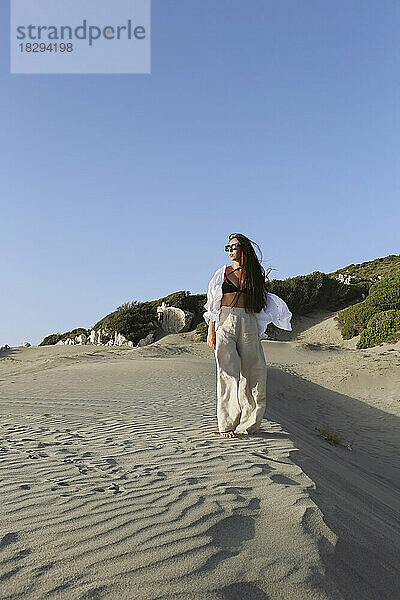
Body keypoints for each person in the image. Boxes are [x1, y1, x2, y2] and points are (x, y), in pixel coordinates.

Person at [203, 233, 292, 438]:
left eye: (233, 246)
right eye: (228, 247)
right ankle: (226, 425)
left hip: (248, 322)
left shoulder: (255, 275)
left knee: (255, 372)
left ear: (244, 248)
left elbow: (261, 303)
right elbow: (213, 304)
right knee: (227, 373)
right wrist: (211, 330)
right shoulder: (222, 273)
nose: (230, 251)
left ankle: (249, 424)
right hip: (225, 321)